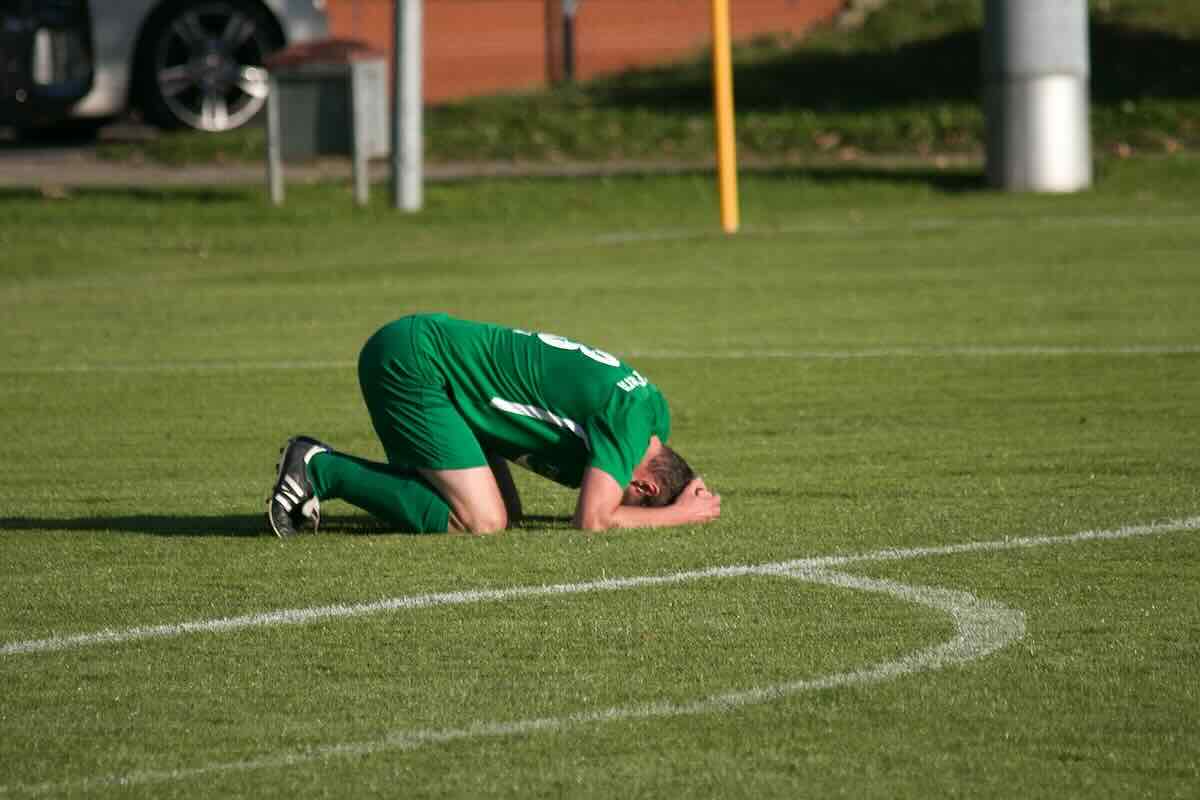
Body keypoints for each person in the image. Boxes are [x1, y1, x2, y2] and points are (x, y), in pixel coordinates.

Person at [267, 313, 721, 536]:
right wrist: (680, 514)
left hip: (437, 370)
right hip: (416, 364)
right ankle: (318, 468)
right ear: (643, 488)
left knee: (505, 512)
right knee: (482, 520)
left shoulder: (652, 414)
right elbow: (594, 520)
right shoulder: (630, 425)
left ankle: (363, 480)